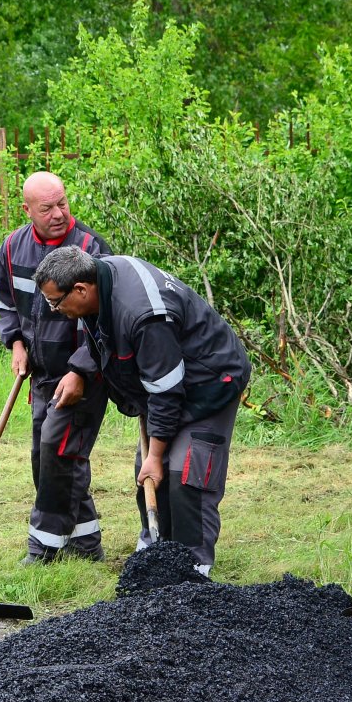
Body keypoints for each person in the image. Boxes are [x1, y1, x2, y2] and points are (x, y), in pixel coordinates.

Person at [33, 247, 251, 577]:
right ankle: (154, 553)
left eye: (56, 302)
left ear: (80, 289)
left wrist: (157, 454)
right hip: (166, 381)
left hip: (210, 382)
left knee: (185, 474)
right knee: (149, 471)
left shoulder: (144, 314)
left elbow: (166, 393)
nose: (55, 309)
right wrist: (81, 368)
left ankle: (192, 574)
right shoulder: (100, 282)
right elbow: (108, 345)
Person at [0, 172, 114, 565]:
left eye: (62, 202)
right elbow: (8, 304)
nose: (59, 213)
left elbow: (107, 320)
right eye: (47, 208)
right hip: (42, 375)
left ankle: (43, 548)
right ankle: (85, 542)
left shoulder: (90, 248)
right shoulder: (12, 249)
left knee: (59, 452)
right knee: (45, 458)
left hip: (83, 375)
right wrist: (15, 343)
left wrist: (81, 370)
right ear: (27, 210)